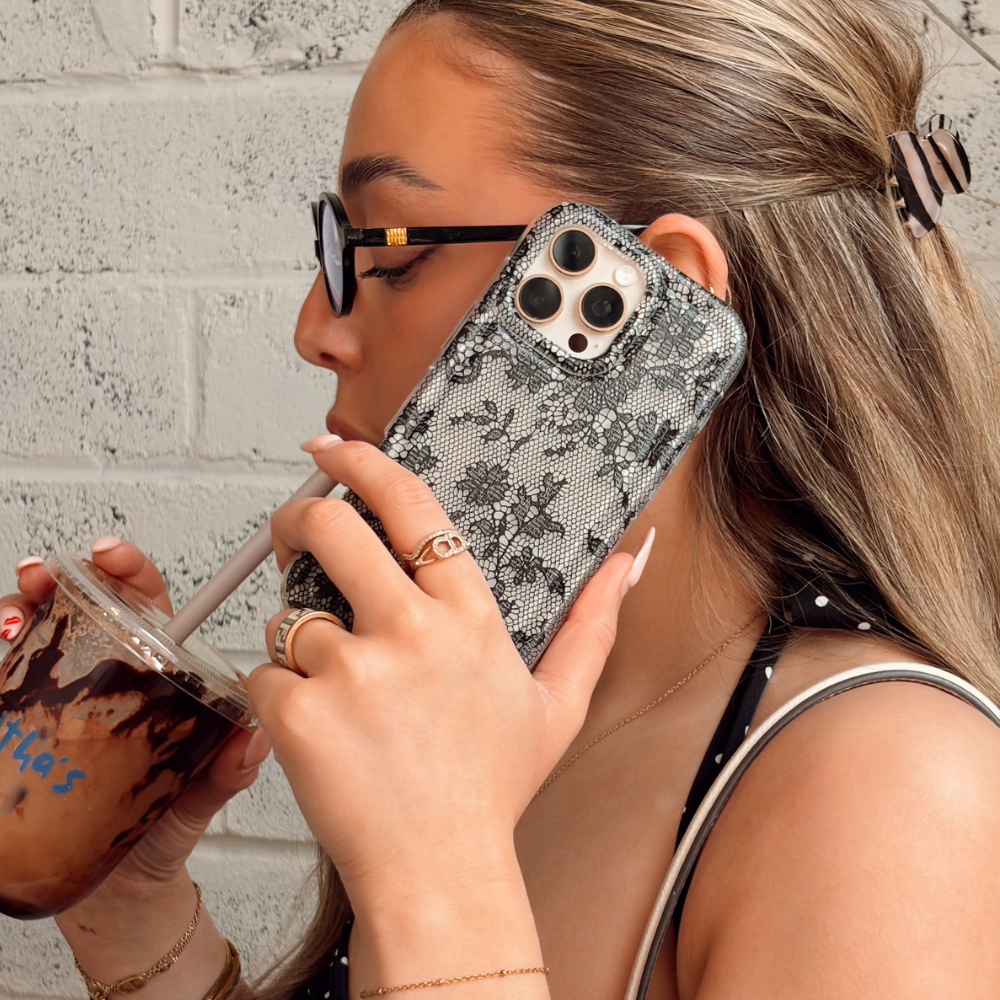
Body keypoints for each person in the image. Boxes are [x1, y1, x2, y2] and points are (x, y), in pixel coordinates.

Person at [6, 0, 1000, 997]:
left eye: (387, 252)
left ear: (654, 295)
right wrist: (136, 918)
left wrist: (438, 875)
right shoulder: (486, 703)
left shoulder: (890, 791)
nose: (316, 327)